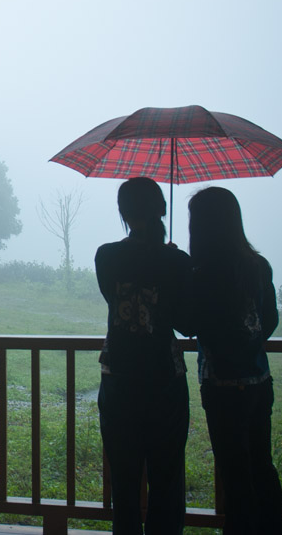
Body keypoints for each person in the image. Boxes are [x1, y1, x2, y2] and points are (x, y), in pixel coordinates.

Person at [95, 177, 194, 534]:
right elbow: (187, 325)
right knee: (166, 480)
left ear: (122, 211)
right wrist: (177, 263)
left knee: (124, 481)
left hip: (118, 377)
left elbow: (113, 297)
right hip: (164, 380)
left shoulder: (106, 256)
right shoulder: (176, 261)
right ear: (160, 209)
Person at [189, 186, 282, 534]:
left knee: (234, 473)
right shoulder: (258, 265)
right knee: (262, 466)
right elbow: (270, 319)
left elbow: (187, 325)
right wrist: (251, 344)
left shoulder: (202, 274)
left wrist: (179, 274)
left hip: (221, 385)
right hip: (259, 381)